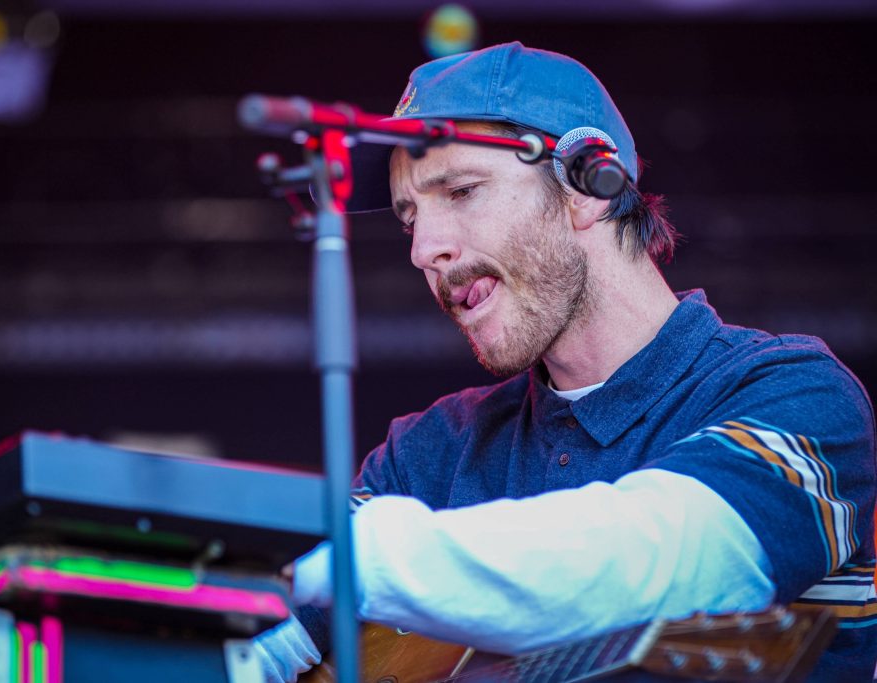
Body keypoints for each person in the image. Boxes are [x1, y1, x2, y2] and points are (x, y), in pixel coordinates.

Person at [255, 42, 876, 682]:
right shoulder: (427, 453)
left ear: (586, 184)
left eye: (461, 191)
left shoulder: (798, 396)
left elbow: (663, 562)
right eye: (410, 219)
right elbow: (247, 632)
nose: (424, 250)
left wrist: (370, 560)